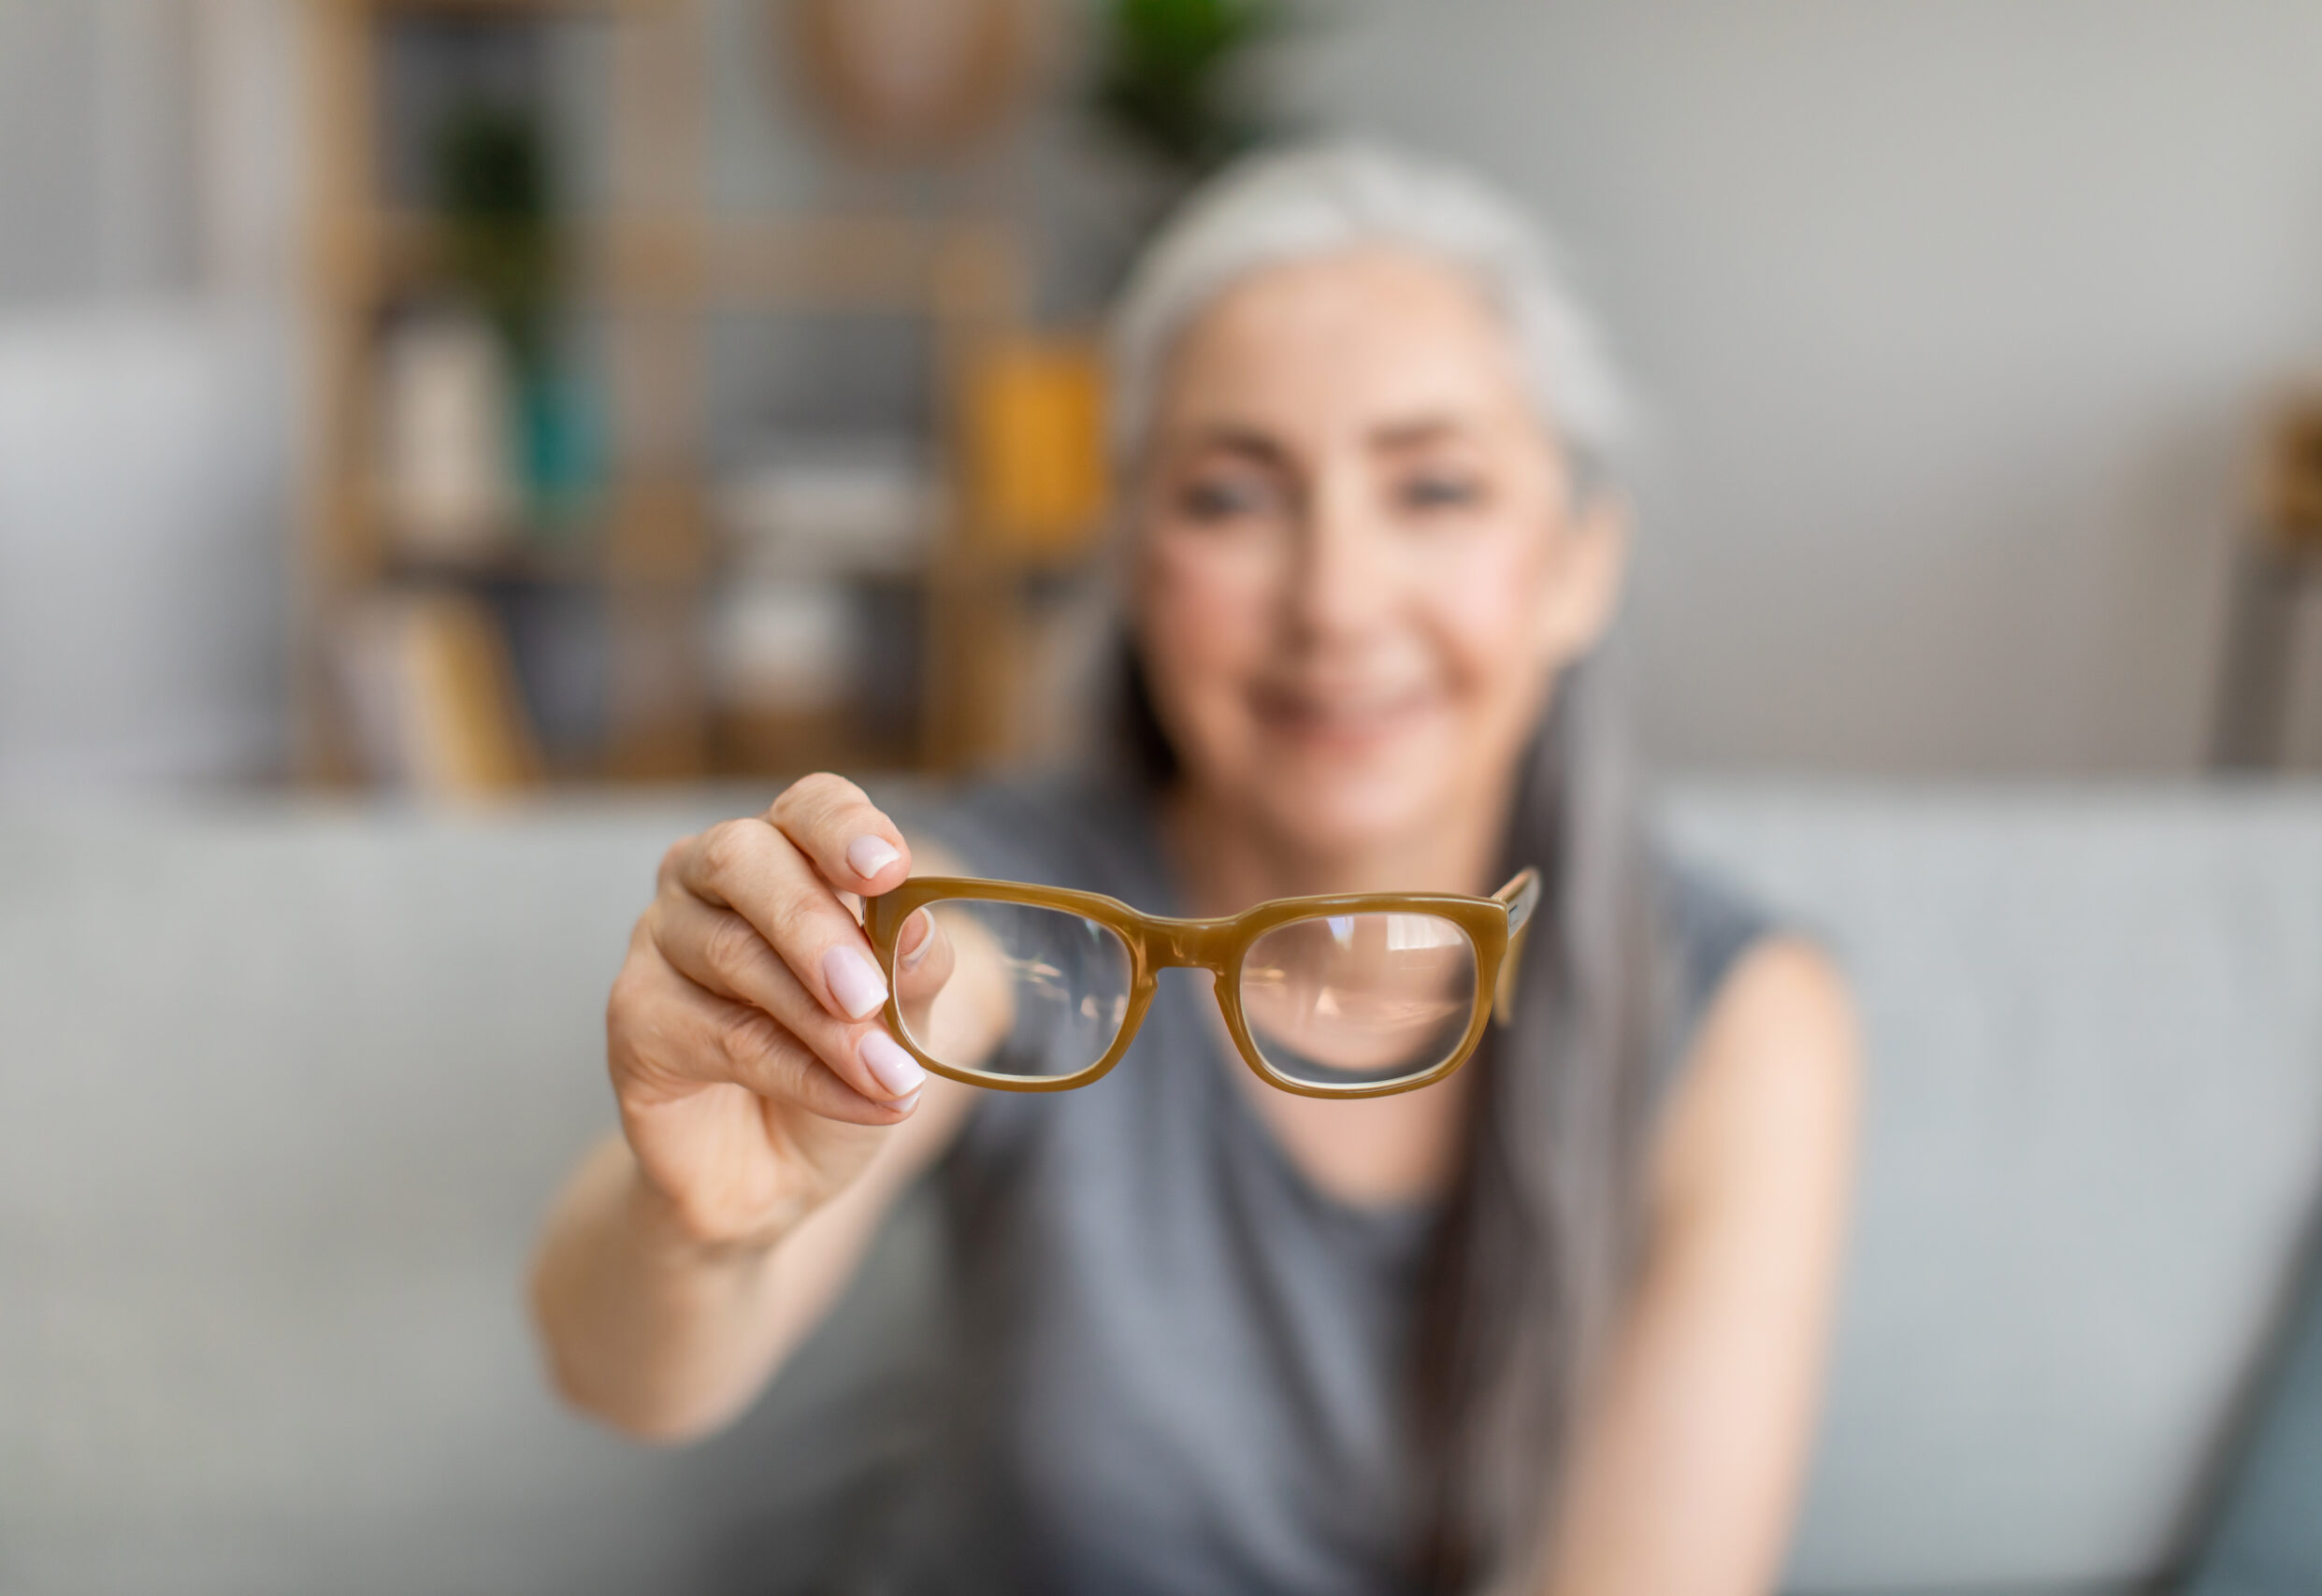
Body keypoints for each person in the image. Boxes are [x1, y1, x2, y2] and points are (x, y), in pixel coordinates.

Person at [528, 142, 1860, 1596]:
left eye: (1435, 491)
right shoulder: (1003, 918)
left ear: (1577, 565)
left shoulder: (1734, 1017)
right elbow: (629, 1376)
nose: (1337, 603)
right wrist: (705, 1223)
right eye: (1233, 498)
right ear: (1135, 566)